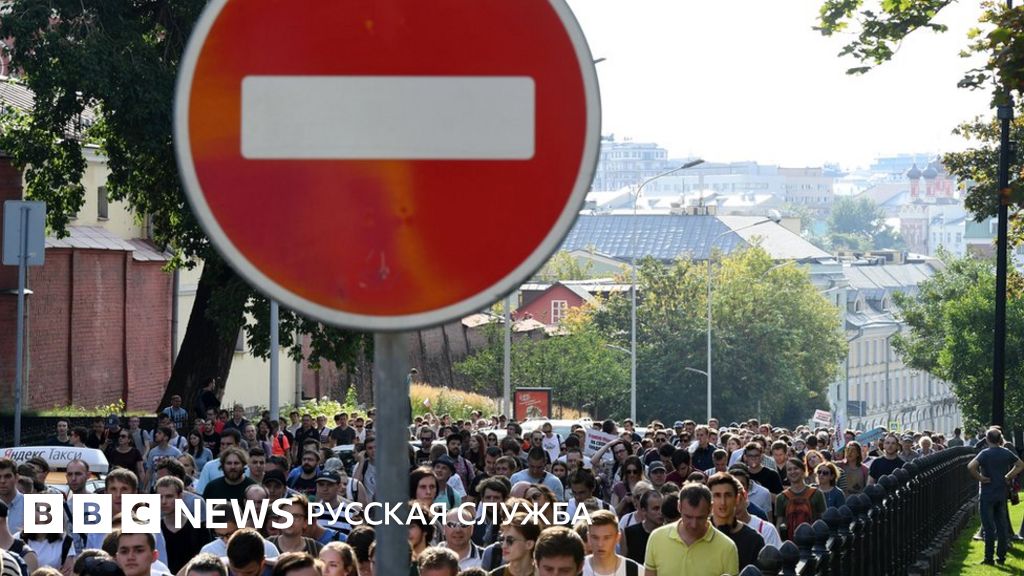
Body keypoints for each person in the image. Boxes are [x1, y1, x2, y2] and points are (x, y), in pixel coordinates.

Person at [643, 483, 738, 576]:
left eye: (700, 518)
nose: (694, 525)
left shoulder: (727, 548)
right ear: (679, 507)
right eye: (688, 517)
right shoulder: (657, 538)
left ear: (710, 509)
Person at [968, 428, 1024, 566]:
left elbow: (971, 466)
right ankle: (1001, 556)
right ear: (1000, 439)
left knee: (988, 527)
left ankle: (989, 558)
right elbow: (1020, 465)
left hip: (987, 493)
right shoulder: (1006, 452)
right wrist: (1008, 476)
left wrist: (981, 478)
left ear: (987, 439)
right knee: (1001, 525)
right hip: (1001, 492)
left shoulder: (985, 453)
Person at [707, 472, 764, 570]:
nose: (723, 502)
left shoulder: (754, 540)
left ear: (737, 499)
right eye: (717, 495)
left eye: (728, 495)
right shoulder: (699, 534)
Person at [156, 476, 212, 573]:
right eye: (160, 497)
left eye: (169, 496)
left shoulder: (199, 529)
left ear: (180, 496)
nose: (163, 501)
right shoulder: (153, 530)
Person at [775, 458, 826, 541]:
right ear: (786, 474)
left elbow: (823, 520)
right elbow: (779, 524)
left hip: (814, 542)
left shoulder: (817, 494)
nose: (793, 472)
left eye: (796, 468)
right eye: (789, 469)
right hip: (790, 543)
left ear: (803, 471)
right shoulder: (781, 498)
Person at [581, 510, 641, 576]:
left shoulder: (637, 571)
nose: (600, 544)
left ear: (617, 538)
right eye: (595, 537)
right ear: (588, 538)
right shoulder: (577, 569)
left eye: (607, 538)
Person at [620, 490, 662, 567]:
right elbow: (623, 563)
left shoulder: (668, 533)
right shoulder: (629, 533)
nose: (660, 512)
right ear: (644, 511)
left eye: (662, 508)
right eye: (655, 509)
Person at [441, 506, 483, 571]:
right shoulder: (431, 557)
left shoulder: (485, 557)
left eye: (464, 525)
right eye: (452, 525)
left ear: (472, 529)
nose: (458, 530)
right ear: (443, 528)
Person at [0, 459, 25, 534]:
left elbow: (49, 539)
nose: (2, 481)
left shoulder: (34, 505)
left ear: (17, 477)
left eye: (7, 476)